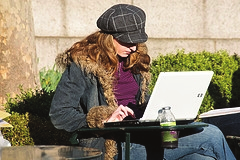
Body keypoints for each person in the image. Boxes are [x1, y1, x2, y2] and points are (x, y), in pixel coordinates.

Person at [49, 4, 236, 160]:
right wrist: (104, 119)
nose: (133, 47)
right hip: (114, 145)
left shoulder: (136, 59)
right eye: (126, 42)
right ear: (108, 38)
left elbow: (141, 102)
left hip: (147, 134)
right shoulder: (83, 64)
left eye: (136, 41)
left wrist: (165, 109)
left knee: (202, 159)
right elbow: (59, 114)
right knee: (211, 134)